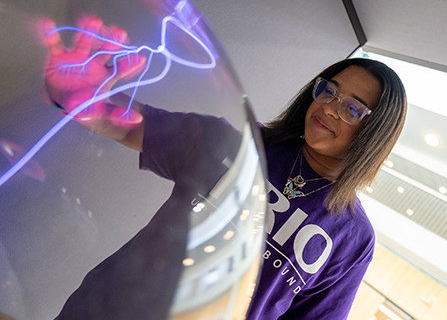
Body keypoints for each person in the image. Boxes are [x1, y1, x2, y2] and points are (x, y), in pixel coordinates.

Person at [43, 17, 406, 319]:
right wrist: (75, 92)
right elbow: (124, 124)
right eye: (329, 90)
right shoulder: (237, 142)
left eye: (353, 108)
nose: (329, 106)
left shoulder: (353, 238)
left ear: (375, 134)